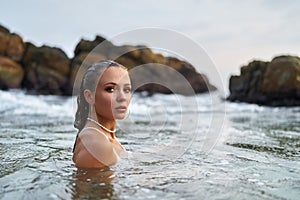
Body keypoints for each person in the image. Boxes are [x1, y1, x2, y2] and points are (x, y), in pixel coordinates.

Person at [72, 60, 131, 168]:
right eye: (111, 89)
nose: (122, 97)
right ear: (90, 96)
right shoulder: (97, 143)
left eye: (126, 89)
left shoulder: (101, 136)